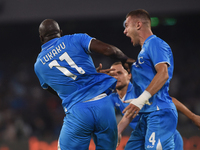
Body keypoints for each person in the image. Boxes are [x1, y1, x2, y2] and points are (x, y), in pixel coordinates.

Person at [34, 19, 134, 150]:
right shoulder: (76, 38)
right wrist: (126, 60)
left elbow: (54, 89)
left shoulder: (39, 65)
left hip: (78, 112)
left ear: (41, 38)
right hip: (104, 106)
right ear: (61, 32)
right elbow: (108, 50)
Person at [107, 62, 200, 150]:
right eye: (112, 74)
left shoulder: (140, 90)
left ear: (129, 75)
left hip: (164, 137)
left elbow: (169, 101)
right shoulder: (113, 97)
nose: (115, 77)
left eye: (119, 73)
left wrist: (193, 117)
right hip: (142, 139)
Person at [122, 9, 177, 149]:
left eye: (127, 25)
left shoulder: (155, 43)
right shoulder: (144, 51)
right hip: (146, 115)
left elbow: (163, 74)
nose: (125, 31)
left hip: (159, 112)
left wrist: (140, 100)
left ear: (138, 24)